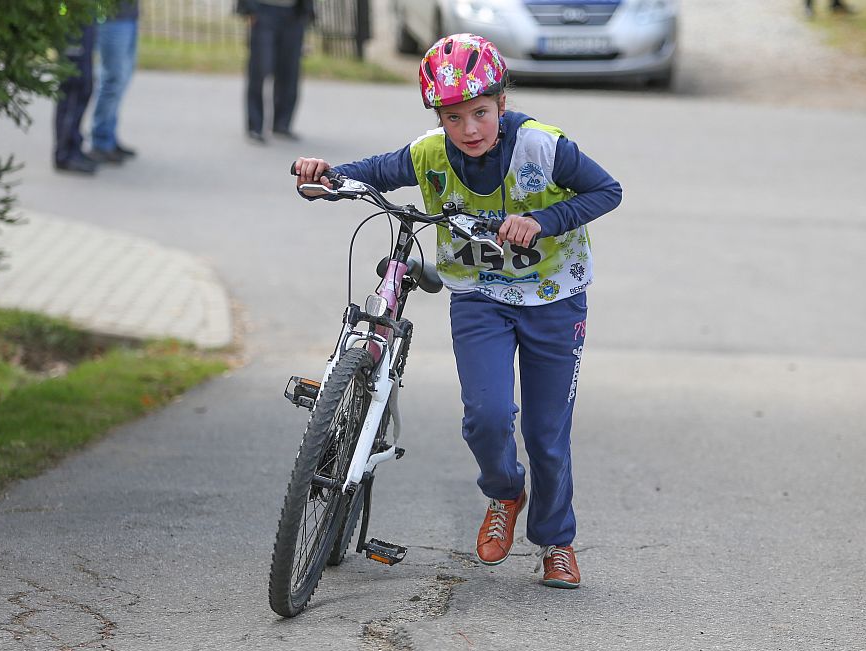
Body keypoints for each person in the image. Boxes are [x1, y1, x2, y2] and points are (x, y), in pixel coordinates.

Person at [292, 34, 621, 588]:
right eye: (453, 117)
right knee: (486, 416)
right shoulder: (429, 154)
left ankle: (555, 542)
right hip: (479, 298)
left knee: (546, 432)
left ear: (502, 104)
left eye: (480, 113)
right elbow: (373, 171)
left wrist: (544, 221)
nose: (469, 129)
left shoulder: (543, 147)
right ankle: (504, 493)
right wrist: (325, 174)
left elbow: (606, 191)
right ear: (438, 117)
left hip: (554, 301)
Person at [237, 0, 314, 143]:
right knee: (260, 67)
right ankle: (255, 126)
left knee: (289, 70)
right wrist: (248, 9)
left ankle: (282, 124)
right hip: (262, 9)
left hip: (294, 11)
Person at [90, 0, 139, 164]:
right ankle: (101, 140)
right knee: (112, 80)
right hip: (109, 17)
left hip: (128, 14)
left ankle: (109, 136)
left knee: (122, 79)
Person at [54, 22, 97, 174]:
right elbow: (62, 7)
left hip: (85, 19)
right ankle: (65, 154)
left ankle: (74, 149)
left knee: (84, 88)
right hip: (74, 24)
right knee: (73, 88)